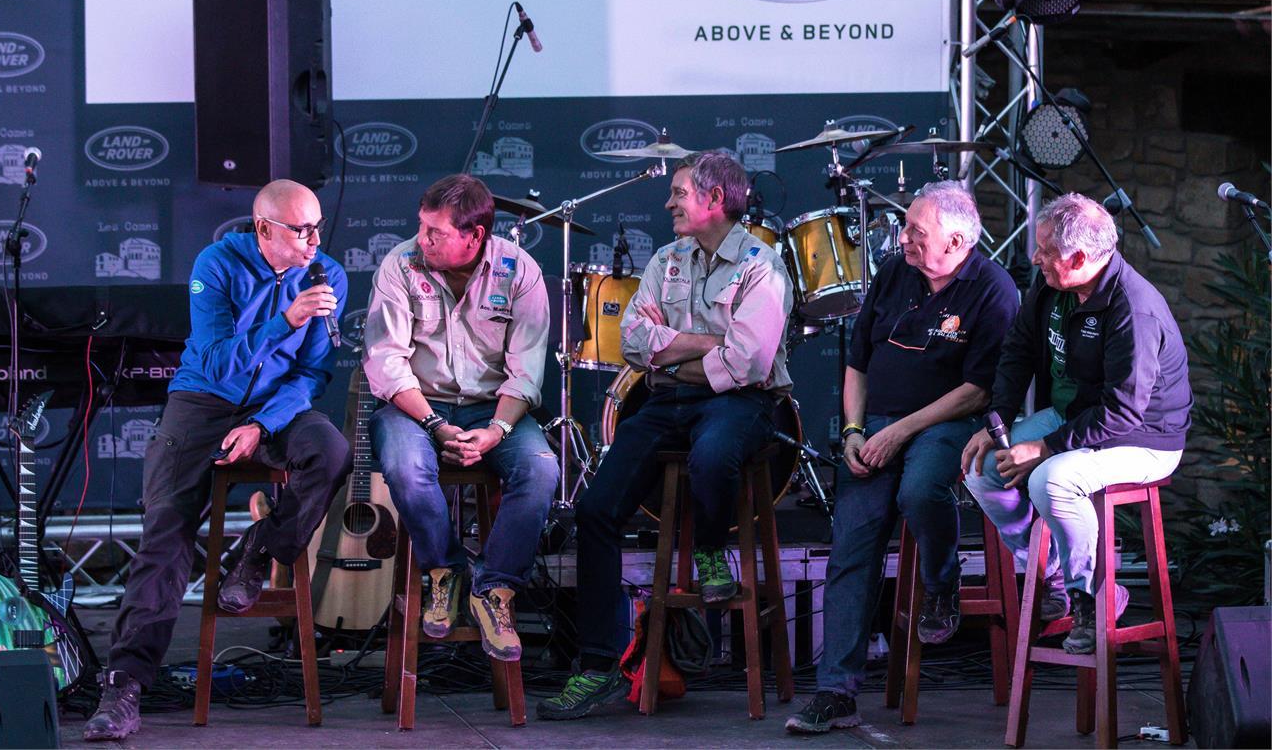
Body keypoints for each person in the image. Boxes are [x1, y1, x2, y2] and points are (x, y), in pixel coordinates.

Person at [84, 180, 352, 741]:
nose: (313, 241)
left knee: (329, 450)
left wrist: (262, 424)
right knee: (166, 532)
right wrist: (287, 320)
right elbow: (216, 359)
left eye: (317, 226)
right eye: (301, 230)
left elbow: (311, 374)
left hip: (274, 404)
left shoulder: (328, 273)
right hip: (205, 398)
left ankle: (261, 549)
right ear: (263, 230)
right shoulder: (218, 264)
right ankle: (125, 684)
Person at [538, 150, 794, 721]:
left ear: (714, 200)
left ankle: (707, 548)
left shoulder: (761, 265)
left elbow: (750, 363)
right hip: (669, 400)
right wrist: (706, 346)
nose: (668, 203)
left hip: (742, 402)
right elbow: (632, 339)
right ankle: (599, 665)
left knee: (712, 455)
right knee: (596, 508)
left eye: (679, 193)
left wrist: (674, 353)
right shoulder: (666, 258)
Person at [785, 180, 1019, 734]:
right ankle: (835, 693)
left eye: (918, 230)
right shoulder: (894, 270)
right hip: (877, 424)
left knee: (919, 490)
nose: (905, 237)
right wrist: (853, 430)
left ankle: (940, 585)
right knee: (852, 544)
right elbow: (858, 363)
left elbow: (980, 391)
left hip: (949, 424)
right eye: (906, 226)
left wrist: (899, 433)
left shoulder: (994, 289)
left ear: (957, 241)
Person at [962, 192, 1191, 655]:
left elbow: (1124, 410)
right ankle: (1053, 578)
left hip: (1144, 436)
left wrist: (1045, 447)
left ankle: (1093, 599)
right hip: (1076, 418)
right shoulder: (1051, 287)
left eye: (1045, 251)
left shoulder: (1134, 309)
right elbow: (1019, 348)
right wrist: (999, 421)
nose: (1035, 258)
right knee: (982, 470)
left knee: (1052, 480)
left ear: (1080, 257)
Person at [362, 174, 558, 663]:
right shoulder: (399, 264)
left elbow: (527, 371)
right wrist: (435, 425)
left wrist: (496, 431)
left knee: (541, 469)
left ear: (475, 236)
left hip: (493, 408)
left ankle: (494, 589)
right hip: (415, 405)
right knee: (406, 467)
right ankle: (443, 571)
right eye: (421, 227)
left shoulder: (521, 271)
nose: (422, 240)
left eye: (436, 233)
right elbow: (386, 362)